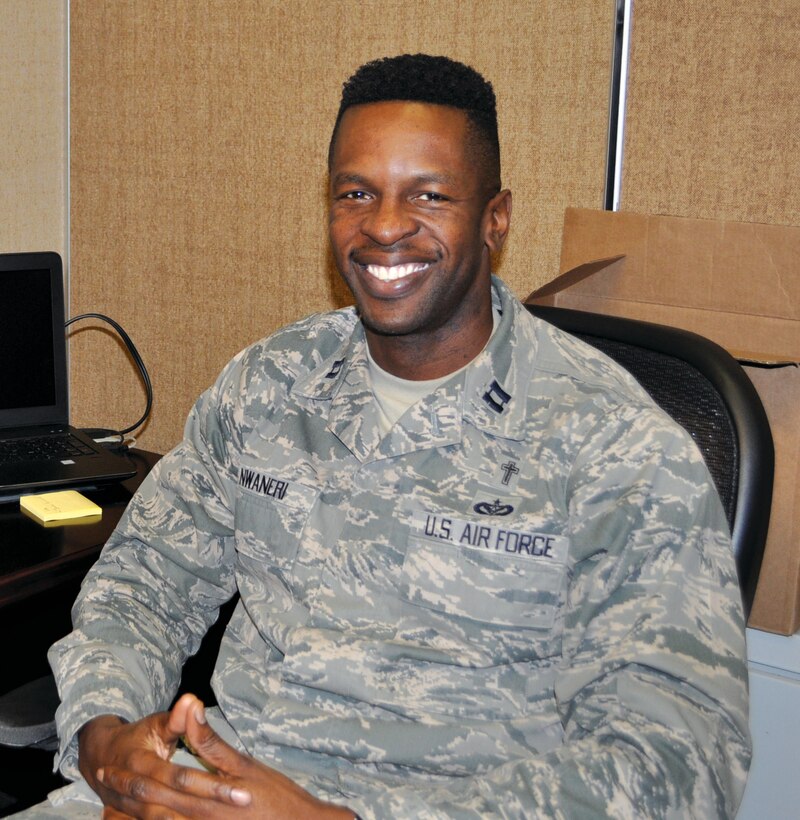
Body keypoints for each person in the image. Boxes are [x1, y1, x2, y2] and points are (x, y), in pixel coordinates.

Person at [30, 54, 749, 819]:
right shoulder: (269, 386)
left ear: (496, 218)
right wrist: (105, 736)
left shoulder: (616, 443)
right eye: (356, 193)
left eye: (429, 195)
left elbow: (680, 761)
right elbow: (143, 581)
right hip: (222, 788)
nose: (383, 226)